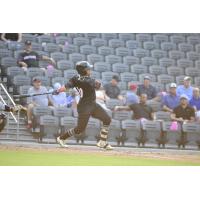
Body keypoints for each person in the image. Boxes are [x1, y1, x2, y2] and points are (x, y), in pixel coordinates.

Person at [56, 61, 113, 150]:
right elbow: (99, 86)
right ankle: (61, 138)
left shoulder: (75, 78)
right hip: (84, 107)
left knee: (107, 119)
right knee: (80, 129)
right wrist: (98, 83)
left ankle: (102, 142)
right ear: (83, 70)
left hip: (92, 105)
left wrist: (58, 90)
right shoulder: (88, 81)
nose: (90, 70)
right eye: (88, 69)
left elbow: (66, 87)